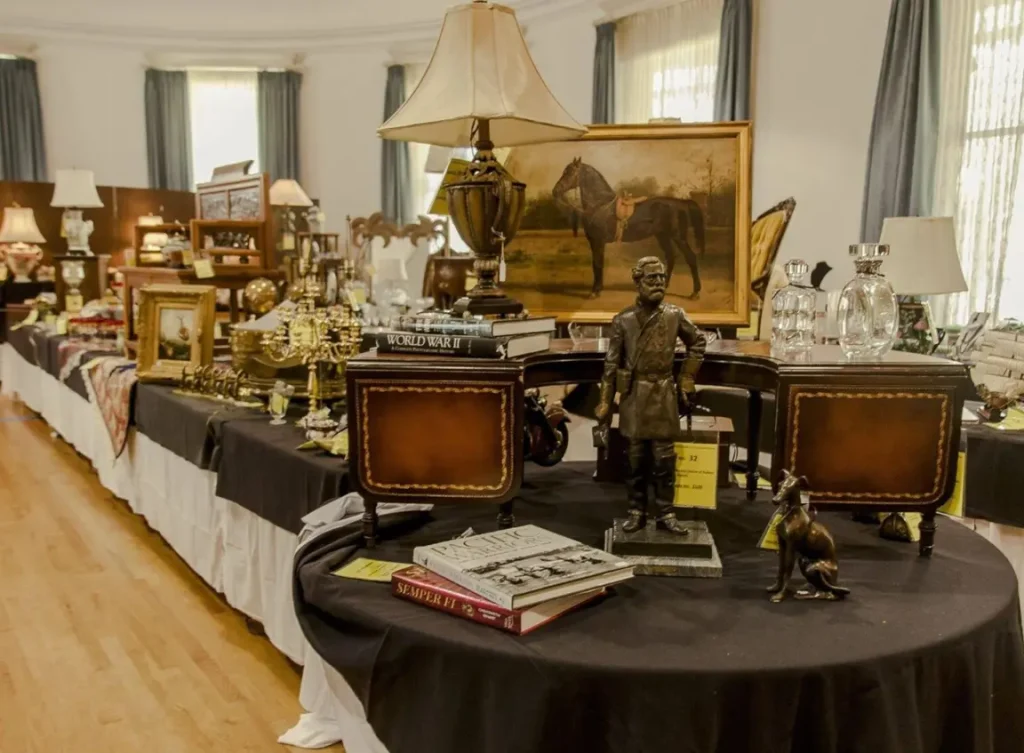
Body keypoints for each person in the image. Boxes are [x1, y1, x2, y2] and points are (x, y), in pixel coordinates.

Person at [594, 256, 707, 534]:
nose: (658, 283)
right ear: (637, 282)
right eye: (651, 278)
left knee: (664, 460)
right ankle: (636, 510)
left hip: (663, 395)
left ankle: (667, 513)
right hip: (635, 396)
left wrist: (687, 377)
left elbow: (698, 342)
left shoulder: (674, 315)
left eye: (661, 278)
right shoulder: (623, 321)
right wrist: (605, 401)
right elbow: (611, 364)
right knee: (634, 460)